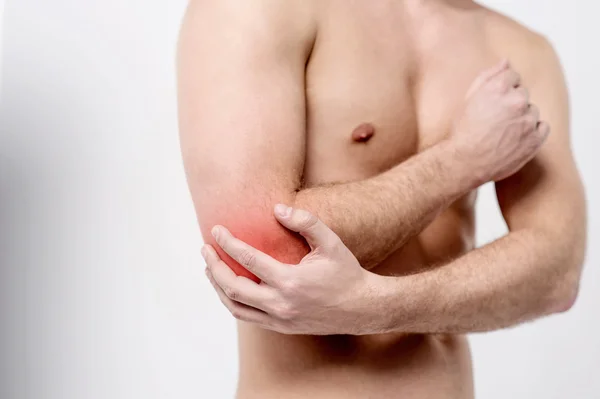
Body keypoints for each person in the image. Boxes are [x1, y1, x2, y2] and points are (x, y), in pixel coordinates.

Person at [177, 0, 587, 398]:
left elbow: (557, 271)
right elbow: (261, 252)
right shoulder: (257, 7)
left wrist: (377, 306)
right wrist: (459, 161)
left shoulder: (519, 48)